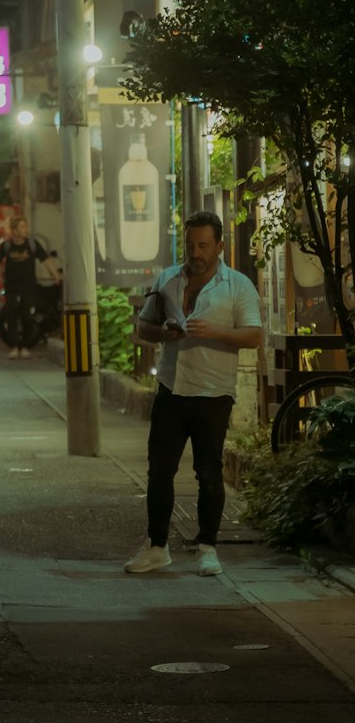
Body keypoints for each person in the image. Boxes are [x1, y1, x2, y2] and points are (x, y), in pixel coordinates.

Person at [124, 209, 261, 578]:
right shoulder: (167, 279)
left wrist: (215, 331)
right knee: (159, 472)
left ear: (219, 246)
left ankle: (207, 547)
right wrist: (163, 333)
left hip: (214, 392)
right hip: (171, 388)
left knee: (210, 473)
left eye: (203, 246)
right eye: (189, 246)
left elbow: (253, 335)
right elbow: (144, 326)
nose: (195, 253)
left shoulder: (238, 285)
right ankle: (156, 547)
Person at [0, 216, 62, 359]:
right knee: (12, 316)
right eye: (22, 227)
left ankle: (25, 346)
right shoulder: (6, 246)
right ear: (14, 231)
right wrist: (0, 276)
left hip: (29, 286)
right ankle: (14, 347)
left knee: (28, 316)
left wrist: (55, 274)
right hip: (12, 286)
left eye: (25, 226)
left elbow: (45, 259)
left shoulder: (32, 245)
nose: (25, 229)